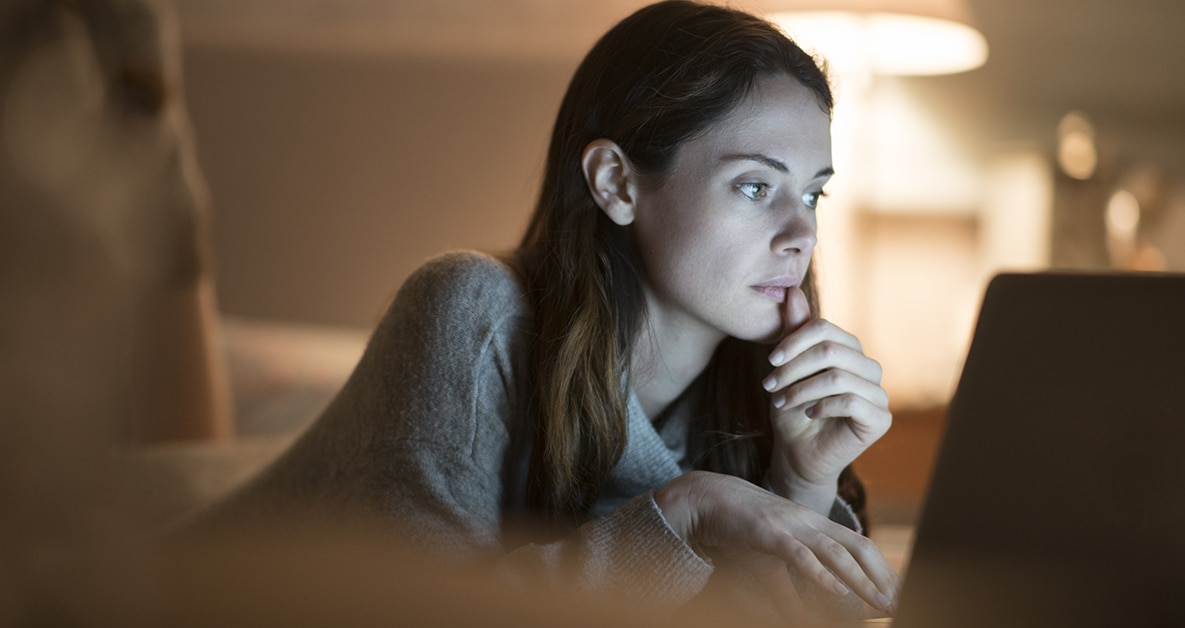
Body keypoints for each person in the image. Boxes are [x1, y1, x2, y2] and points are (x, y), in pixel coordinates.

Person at [196, 0, 899, 621]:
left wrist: (802, 481)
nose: (802, 234)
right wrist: (684, 513)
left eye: (813, 194)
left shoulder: (757, 389)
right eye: (754, 187)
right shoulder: (471, 311)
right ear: (617, 183)